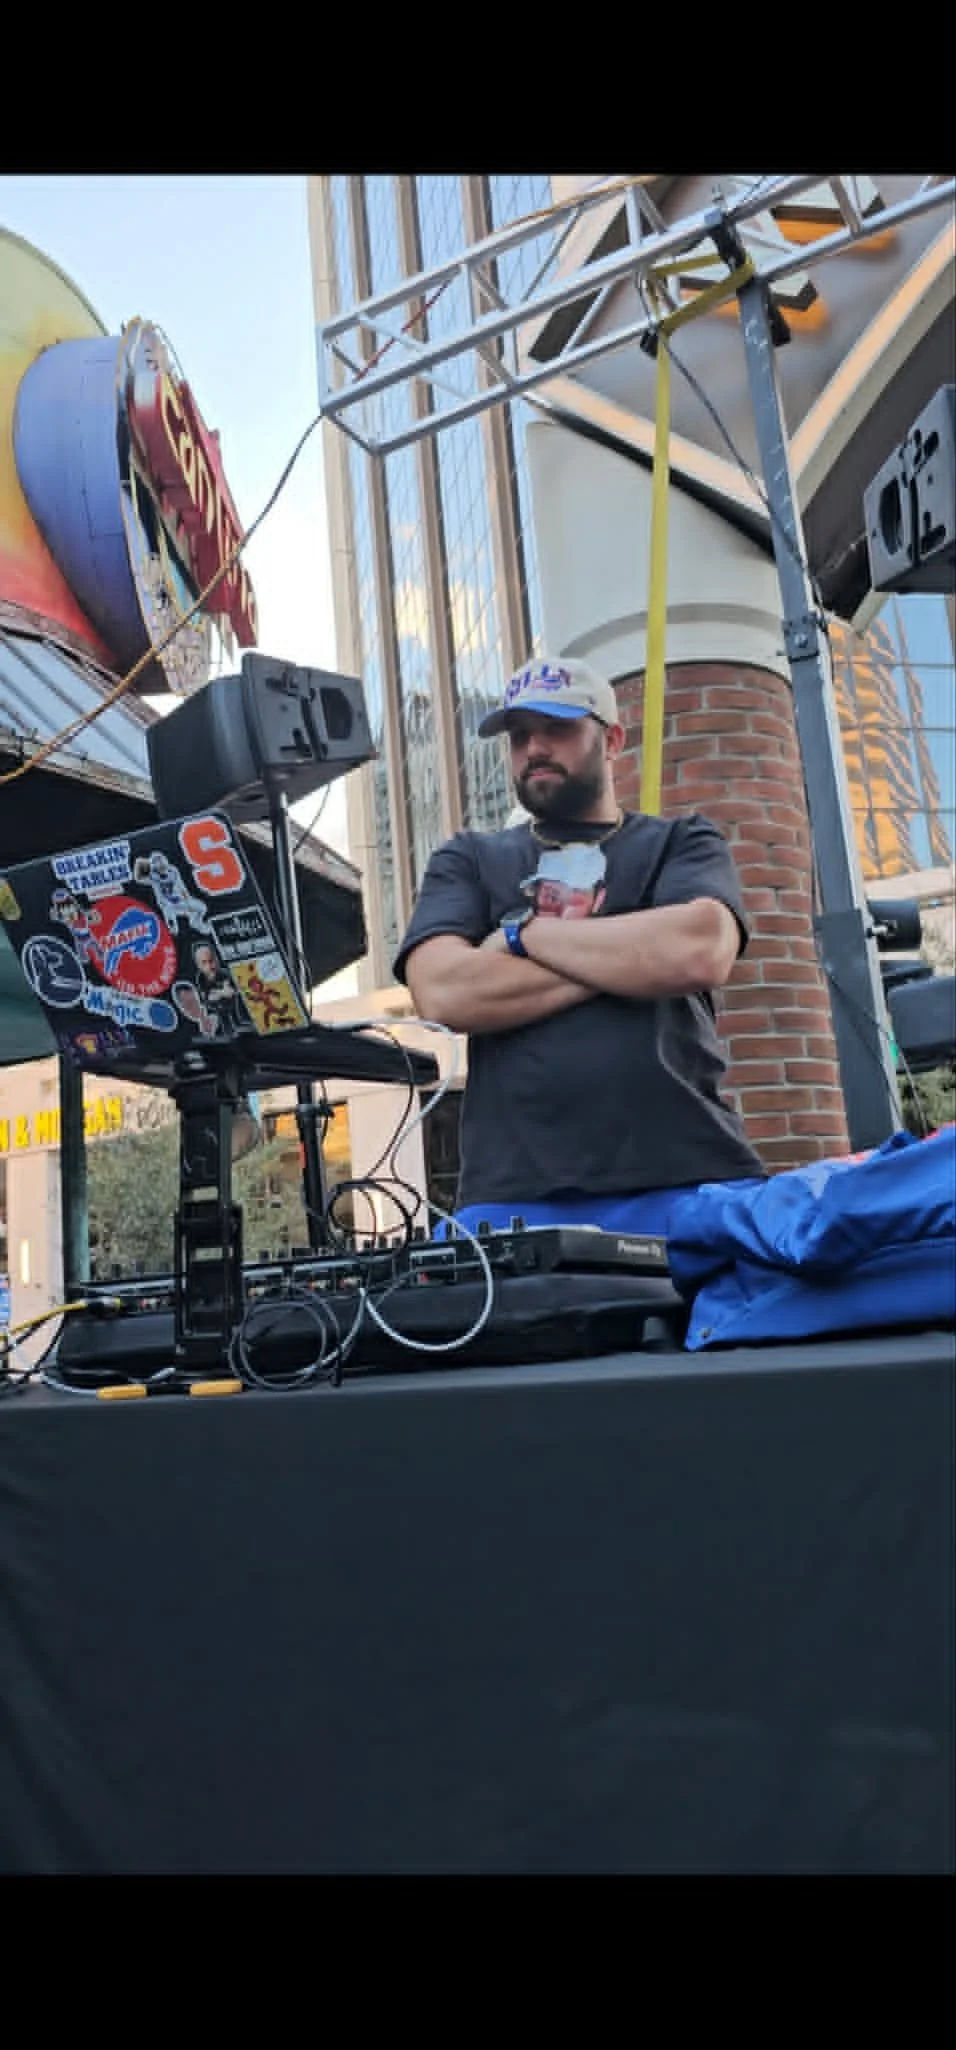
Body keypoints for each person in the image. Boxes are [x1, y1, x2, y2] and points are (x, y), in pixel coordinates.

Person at [393, 652, 766, 1238]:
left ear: (612, 739)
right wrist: (635, 953)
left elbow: (700, 952)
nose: (535, 748)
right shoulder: (468, 858)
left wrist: (522, 934)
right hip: (513, 1196)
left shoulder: (681, 841)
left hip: (690, 1176)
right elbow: (442, 993)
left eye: (558, 729)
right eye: (520, 737)